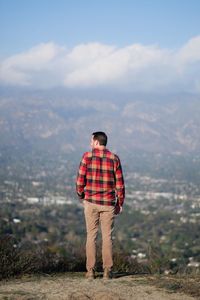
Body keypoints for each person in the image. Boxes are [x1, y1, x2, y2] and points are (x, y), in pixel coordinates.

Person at [76, 131, 125, 279]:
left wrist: (81, 195)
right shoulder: (114, 158)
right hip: (108, 204)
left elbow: (79, 181)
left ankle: (90, 271)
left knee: (91, 236)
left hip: (91, 202)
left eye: (91, 141)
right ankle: (107, 271)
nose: (90, 143)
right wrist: (119, 202)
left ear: (96, 142)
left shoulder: (87, 156)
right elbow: (120, 185)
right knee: (107, 237)